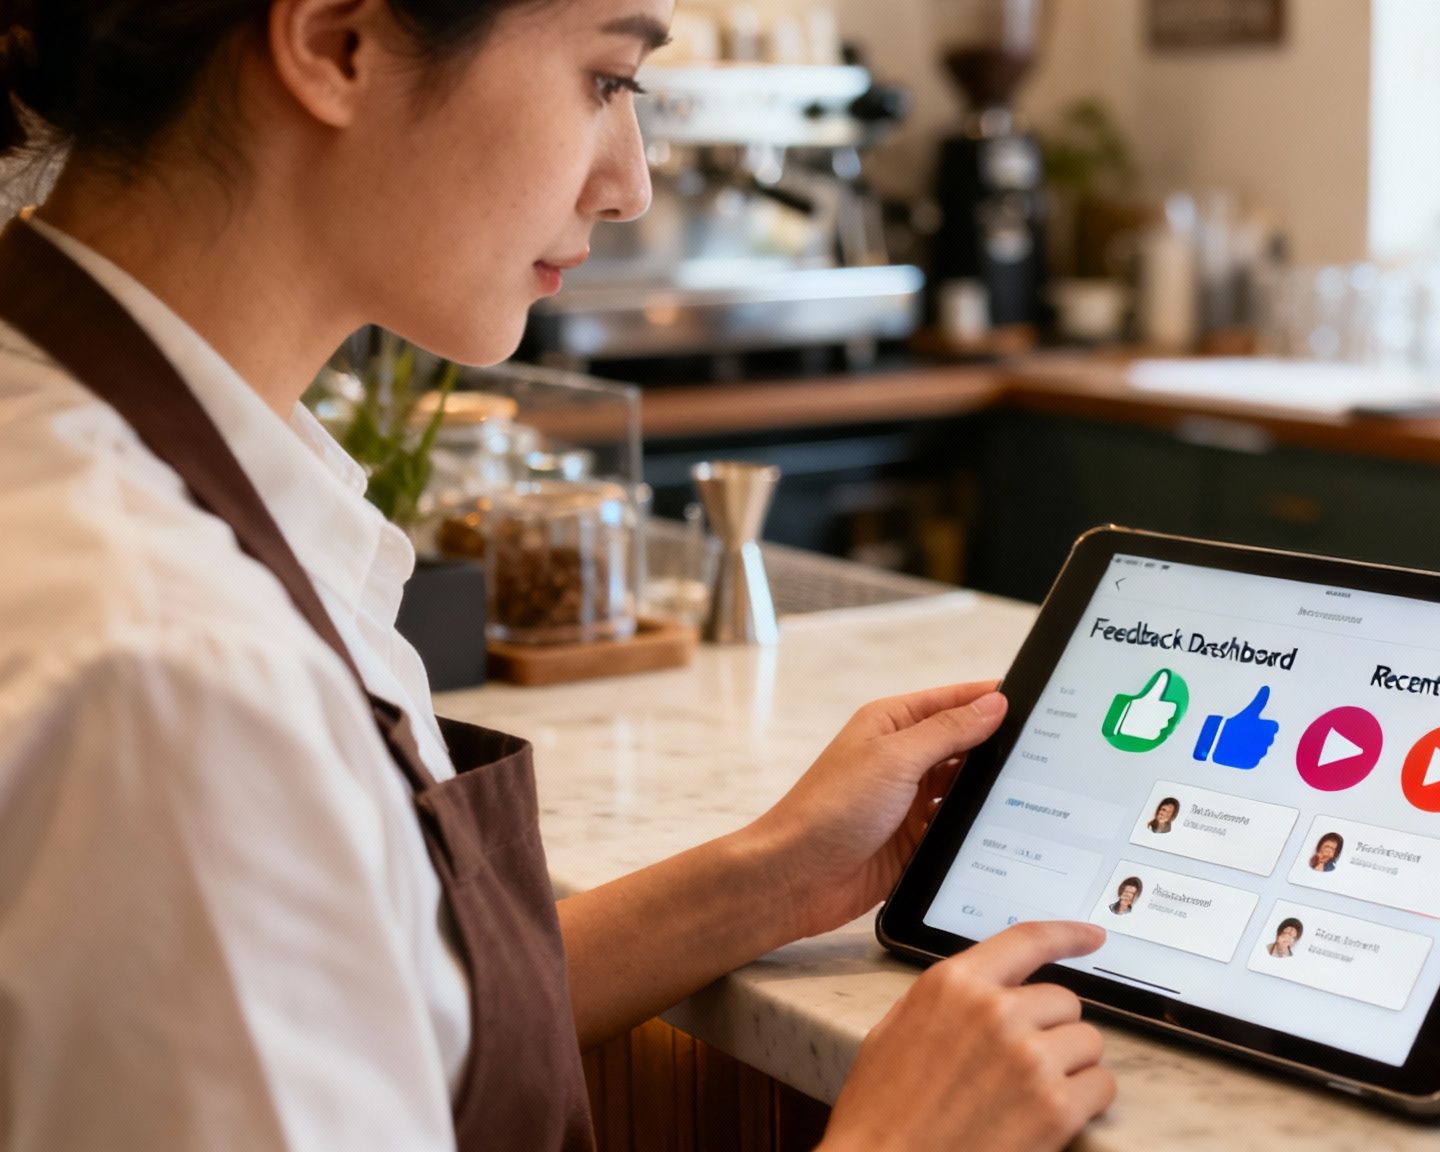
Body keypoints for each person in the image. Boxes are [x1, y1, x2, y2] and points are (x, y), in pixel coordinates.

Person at [0, 4, 1114, 1151]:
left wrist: (775, 875)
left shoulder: (99, 452)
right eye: (604, 80)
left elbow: (379, 1007)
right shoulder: (170, 671)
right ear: (339, 44)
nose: (629, 185)